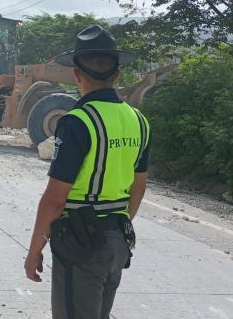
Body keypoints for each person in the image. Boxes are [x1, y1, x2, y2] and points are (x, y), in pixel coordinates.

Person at [24, 25, 150, 319]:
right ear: (117, 75)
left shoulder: (77, 122)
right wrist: (114, 230)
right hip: (117, 240)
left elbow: (55, 199)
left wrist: (34, 251)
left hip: (81, 245)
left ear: (76, 75)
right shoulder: (139, 121)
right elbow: (139, 188)